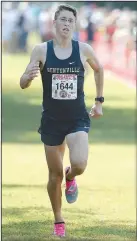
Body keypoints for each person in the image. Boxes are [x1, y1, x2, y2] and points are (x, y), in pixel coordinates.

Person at [20, 4, 104, 238]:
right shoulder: (41, 50)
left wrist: (99, 101)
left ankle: (72, 177)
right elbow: (23, 82)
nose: (67, 24)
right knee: (53, 175)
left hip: (77, 118)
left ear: (74, 26)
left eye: (70, 21)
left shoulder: (83, 49)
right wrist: (25, 78)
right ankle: (59, 220)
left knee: (79, 164)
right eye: (63, 20)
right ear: (54, 24)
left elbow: (99, 69)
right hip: (52, 121)